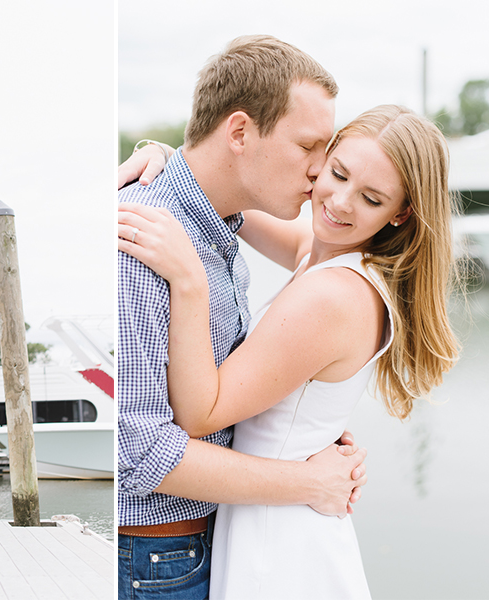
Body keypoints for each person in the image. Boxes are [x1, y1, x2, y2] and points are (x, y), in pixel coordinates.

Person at [118, 104, 461, 598]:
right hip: (273, 512)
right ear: (324, 157)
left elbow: (199, 414)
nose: (340, 203)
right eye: (338, 173)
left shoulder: (333, 296)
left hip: (277, 540)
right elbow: (225, 195)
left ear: (401, 213)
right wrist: (164, 158)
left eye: (371, 198)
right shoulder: (322, 253)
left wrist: (189, 280)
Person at [117, 35, 368, 599]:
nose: (320, 171)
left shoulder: (221, 230)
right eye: (309, 145)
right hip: (152, 558)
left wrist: (313, 430)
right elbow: (140, 452)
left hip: (194, 547)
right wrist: (306, 481)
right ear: (238, 132)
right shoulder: (141, 242)